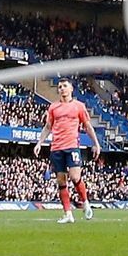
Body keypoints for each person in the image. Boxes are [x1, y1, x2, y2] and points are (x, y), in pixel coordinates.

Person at [34, 79, 102, 224]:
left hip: (72, 146)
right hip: (56, 147)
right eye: (60, 87)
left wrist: (96, 143)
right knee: (61, 180)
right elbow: (48, 127)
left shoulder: (79, 106)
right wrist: (39, 143)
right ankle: (68, 214)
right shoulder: (53, 108)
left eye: (65, 86)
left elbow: (88, 126)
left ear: (71, 89)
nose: (62, 89)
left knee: (75, 176)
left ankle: (85, 203)